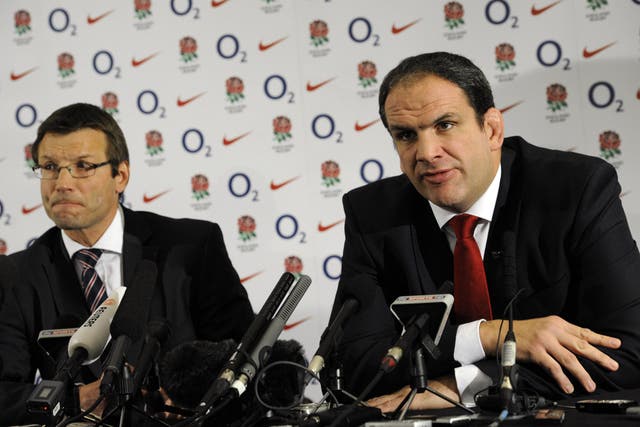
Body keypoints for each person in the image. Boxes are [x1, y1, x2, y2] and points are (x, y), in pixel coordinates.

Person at [330, 52, 640, 413]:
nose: (427, 153)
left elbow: (629, 351)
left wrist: (463, 385)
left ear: (491, 129)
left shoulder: (574, 190)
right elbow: (349, 367)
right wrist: (487, 336)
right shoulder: (373, 215)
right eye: (406, 135)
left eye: (444, 125)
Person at [0, 103, 255, 424]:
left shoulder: (191, 247)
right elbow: (4, 394)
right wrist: (75, 399)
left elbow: (246, 357)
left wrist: (191, 398)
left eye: (82, 166)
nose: (62, 183)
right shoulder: (15, 275)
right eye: (50, 166)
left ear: (120, 175)